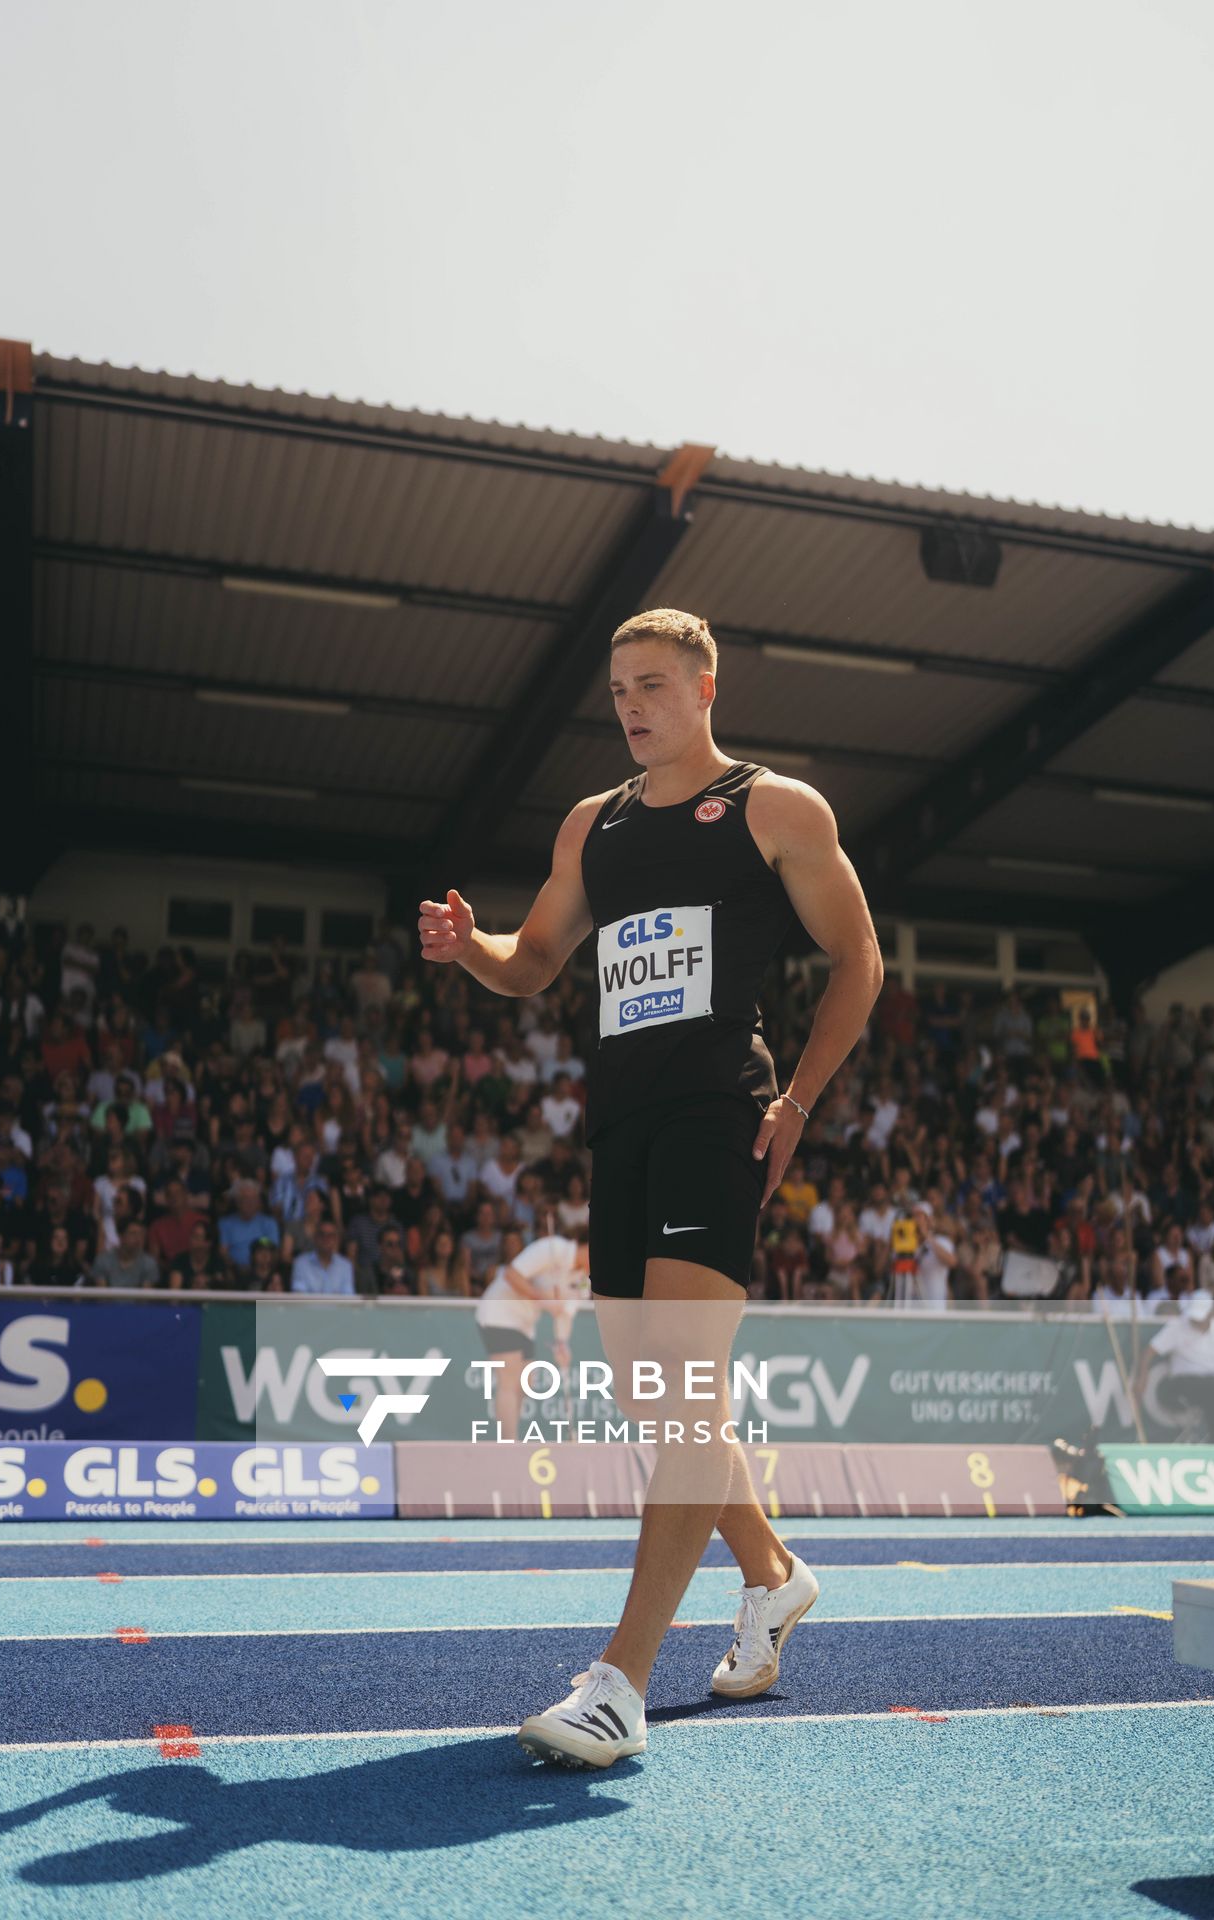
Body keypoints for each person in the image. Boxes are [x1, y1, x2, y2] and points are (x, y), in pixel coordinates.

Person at [419, 605, 883, 1770]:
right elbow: (532, 962)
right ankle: (772, 1577)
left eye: (652, 685)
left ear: (705, 689)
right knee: (654, 1392)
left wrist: (796, 1103)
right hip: (619, 1128)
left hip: (716, 1113)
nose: (630, 704)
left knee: (679, 1380)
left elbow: (858, 959)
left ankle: (619, 1684)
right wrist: (468, 946)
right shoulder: (594, 825)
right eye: (618, 688)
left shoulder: (775, 809)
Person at [475, 1230, 589, 1439]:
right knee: (509, 1380)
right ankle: (508, 1444)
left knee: (526, 1382)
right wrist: (543, 1298)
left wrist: (562, 1342)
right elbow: (511, 1275)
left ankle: (511, 1440)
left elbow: (566, 1313)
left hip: (525, 1322)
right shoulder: (552, 1248)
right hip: (499, 1312)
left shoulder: (584, 1280)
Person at [1133, 1289, 1214, 1440]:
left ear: (1211, 1313)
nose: (1196, 1321)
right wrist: (1142, 1377)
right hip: (1183, 1383)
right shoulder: (1178, 1326)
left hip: (1210, 1382)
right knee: (1211, 1389)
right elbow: (1148, 1353)